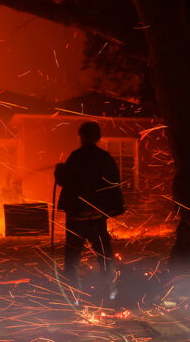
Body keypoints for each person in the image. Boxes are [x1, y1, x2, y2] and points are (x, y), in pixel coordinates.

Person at [54, 121, 125, 299]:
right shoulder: (104, 157)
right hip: (97, 217)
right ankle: (109, 292)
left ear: (82, 137)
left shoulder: (76, 156)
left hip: (76, 218)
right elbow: (114, 182)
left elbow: (63, 180)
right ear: (98, 137)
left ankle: (72, 295)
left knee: (72, 257)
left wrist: (59, 170)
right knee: (104, 255)